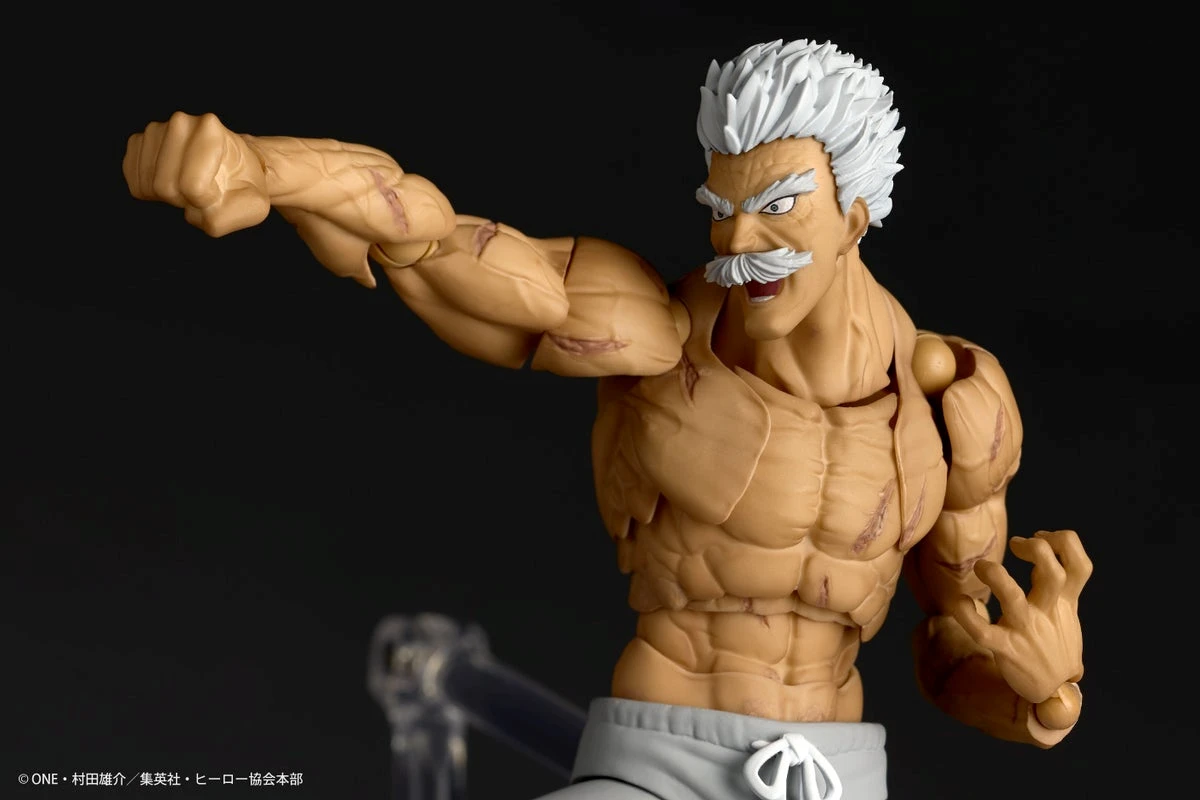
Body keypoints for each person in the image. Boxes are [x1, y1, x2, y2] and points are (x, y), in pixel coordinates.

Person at [123, 38, 1091, 800]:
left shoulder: (949, 407)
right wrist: (261, 166)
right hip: (653, 764)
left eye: (780, 207)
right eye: (724, 207)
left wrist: (1049, 696)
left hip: (835, 777)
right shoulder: (657, 334)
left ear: (858, 212)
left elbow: (958, 656)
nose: (739, 241)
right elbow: (433, 240)